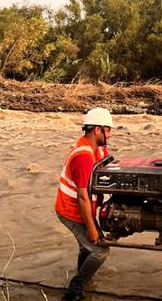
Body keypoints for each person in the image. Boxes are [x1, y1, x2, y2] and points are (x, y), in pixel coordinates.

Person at [55, 107, 113, 301]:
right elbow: (82, 197)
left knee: (85, 248)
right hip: (70, 211)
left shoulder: (97, 149)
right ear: (97, 130)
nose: (110, 134)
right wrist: (91, 229)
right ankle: (74, 290)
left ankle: (83, 282)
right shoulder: (83, 157)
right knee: (100, 251)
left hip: (80, 207)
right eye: (108, 129)